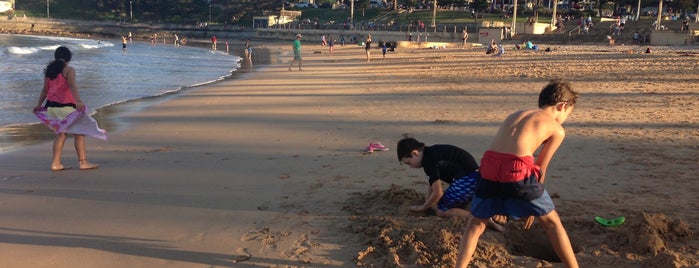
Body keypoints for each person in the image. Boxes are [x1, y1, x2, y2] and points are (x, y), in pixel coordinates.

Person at [456, 79, 580, 268]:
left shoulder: (515, 115)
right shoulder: (557, 129)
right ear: (562, 106)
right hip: (517, 169)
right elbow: (540, 168)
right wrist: (534, 206)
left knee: (476, 224)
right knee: (553, 223)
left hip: (487, 165)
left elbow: (501, 151)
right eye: (567, 114)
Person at [397, 138, 504, 231]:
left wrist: (423, 207)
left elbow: (438, 192)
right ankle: (493, 212)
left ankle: (479, 218)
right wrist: (427, 201)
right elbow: (432, 183)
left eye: (409, 163)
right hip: (477, 177)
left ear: (415, 153)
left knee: (441, 210)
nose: (411, 167)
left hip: (467, 180)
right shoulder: (431, 152)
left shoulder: (428, 161)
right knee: (439, 202)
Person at [33, 46, 101, 171]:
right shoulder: (69, 70)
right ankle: (83, 162)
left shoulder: (50, 71)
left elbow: (44, 90)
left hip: (51, 108)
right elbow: (72, 85)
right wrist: (78, 101)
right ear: (68, 58)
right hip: (65, 107)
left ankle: (56, 163)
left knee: (61, 134)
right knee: (79, 133)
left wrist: (38, 105)